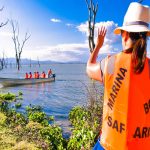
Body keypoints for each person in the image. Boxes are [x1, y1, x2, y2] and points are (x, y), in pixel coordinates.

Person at [86, 2, 150, 150]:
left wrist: (98, 46)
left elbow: (89, 68)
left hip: (109, 144)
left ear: (125, 34)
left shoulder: (110, 63)